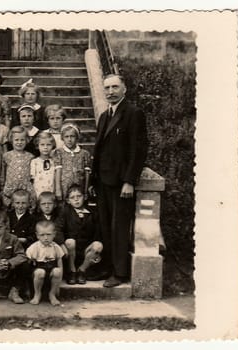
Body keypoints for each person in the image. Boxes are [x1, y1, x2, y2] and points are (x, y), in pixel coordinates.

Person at [90, 74, 148, 288]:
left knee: (119, 227)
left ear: (124, 89)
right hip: (103, 181)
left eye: (115, 87)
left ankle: (120, 272)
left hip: (121, 183)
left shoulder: (134, 114)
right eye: (107, 88)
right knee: (105, 227)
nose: (110, 91)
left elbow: (138, 149)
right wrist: (93, 180)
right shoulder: (105, 115)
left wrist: (129, 181)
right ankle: (106, 267)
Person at [64, 184, 103, 285]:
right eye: (72, 197)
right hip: (72, 249)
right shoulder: (65, 212)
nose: (76, 200)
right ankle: (72, 271)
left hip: (86, 249)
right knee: (70, 241)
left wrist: (96, 253)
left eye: (79, 196)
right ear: (68, 200)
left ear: (84, 197)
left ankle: (82, 270)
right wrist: (61, 245)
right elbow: (58, 229)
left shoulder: (92, 212)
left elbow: (98, 231)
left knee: (98, 245)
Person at [26, 220, 65, 306]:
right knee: (40, 272)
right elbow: (28, 265)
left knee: (57, 271)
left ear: (54, 234)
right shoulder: (34, 247)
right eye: (42, 235)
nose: (46, 238)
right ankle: (37, 294)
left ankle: (52, 294)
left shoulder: (56, 247)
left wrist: (59, 283)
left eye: (48, 234)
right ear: (37, 235)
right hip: (37, 272)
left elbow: (60, 263)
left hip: (51, 270)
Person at [54, 123, 92, 200]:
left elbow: (87, 173)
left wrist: (85, 191)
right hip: (64, 186)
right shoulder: (59, 152)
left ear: (77, 138)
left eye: (72, 136)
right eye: (66, 137)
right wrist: (58, 190)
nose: (69, 139)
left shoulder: (84, 153)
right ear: (62, 138)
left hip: (79, 186)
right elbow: (58, 171)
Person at [1, 126, 35, 208]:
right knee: (10, 207)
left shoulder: (30, 156)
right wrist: (2, 185)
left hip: (25, 187)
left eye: (22, 140)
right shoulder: (7, 156)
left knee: (25, 205)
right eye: (16, 140)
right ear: (11, 140)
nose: (19, 142)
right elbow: (3, 173)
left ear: (26, 140)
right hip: (10, 187)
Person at [30, 131, 62, 200]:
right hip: (38, 193)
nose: (45, 147)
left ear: (52, 146)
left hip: (51, 193)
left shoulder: (55, 161)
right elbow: (32, 180)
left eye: (48, 144)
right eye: (42, 144)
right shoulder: (34, 162)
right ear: (37, 146)